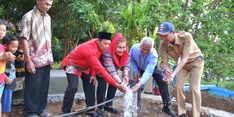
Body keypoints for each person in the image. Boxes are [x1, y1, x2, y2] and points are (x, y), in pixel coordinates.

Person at [60, 31, 126, 117]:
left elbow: (96, 61)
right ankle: (65, 111)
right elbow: (102, 70)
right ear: (98, 41)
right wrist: (117, 85)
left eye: (108, 44)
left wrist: (93, 74)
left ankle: (90, 109)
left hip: (86, 66)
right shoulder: (89, 50)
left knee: (91, 83)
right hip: (72, 64)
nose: (107, 46)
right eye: (105, 43)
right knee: (73, 86)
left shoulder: (100, 45)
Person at [157, 22, 204, 117]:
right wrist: (167, 72)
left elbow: (185, 58)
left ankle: (196, 115)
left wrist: (173, 74)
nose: (163, 38)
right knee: (178, 86)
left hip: (196, 62)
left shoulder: (186, 37)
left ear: (173, 32)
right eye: (161, 35)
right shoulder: (163, 45)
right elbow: (165, 63)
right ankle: (182, 113)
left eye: (165, 35)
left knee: (194, 88)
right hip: (182, 65)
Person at [20, 0, 54, 116]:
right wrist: (28, 61)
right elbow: (24, 39)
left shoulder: (48, 17)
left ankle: (40, 110)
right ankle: (30, 112)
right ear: (38, 1)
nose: (48, 7)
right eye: (46, 4)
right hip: (34, 59)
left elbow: (48, 38)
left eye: (50, 4)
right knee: (33, 86)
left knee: (43, 86)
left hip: (46, 58)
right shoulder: (28, 16)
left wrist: (50, 57)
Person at [130, 37, 176, 117]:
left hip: (152, 68)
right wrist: (135, 69)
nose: (144, 52)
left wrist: (141, 83)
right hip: (138, 67)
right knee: (134, 82)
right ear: (140, 45)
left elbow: (148, 72)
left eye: (147, 50)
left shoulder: (153, 55)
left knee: (163, 81)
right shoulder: (134, 48)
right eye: (143, 49)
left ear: (151, 48)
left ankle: (167, 107)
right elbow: (131, 58)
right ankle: (137, 105)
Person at [96, 32, 130, 116]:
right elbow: (110, 68)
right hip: (102, 70)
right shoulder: (107, 51)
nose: (122, 50)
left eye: (123, 47)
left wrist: (125, 76)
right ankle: (100, 107)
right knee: (102, 85)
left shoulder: (125, 51)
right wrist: (120, 83)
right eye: (119, 47)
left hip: (113, 71)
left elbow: (127, 64)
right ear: (114, 46)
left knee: (114, 85)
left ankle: (108, 105)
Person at [0, 20, 16, 117]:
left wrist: (4, 77)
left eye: (4, 30)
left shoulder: (2, 47)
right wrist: (3, 56)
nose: (1, 32)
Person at [2, 35, 19, 117]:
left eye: (16, 46)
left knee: (7, 99)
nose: (15, 48)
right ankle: (4, 114)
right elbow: (1, 70)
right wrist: (6, 78)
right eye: (13, 46)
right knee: (5, 100)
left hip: (10, 83)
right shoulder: (5, 57)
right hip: (5, 83)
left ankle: (5, 114)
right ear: (5, 46)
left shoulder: (12, 55)